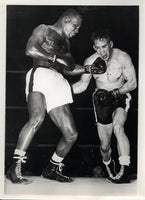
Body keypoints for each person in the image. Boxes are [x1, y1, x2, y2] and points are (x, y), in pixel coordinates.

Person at [6, 8, 106, 184]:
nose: (76, 31)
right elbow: (30, 49)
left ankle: (52, 168)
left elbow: (68, 67)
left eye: (78, 29)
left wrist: (88, 69)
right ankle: (14, 166)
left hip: (58, 80)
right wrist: (54, 58)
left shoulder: (66, 44)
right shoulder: (44, 29)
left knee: (71, 134)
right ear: (66, 19)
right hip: (41, 73)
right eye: (75, 26)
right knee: (37, 118)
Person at [72, 28, 137, 183]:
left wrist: (116, 93)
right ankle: (110, 168)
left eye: (105, 46)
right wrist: (62, 89)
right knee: (105, 146)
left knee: (118, 127)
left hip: (120, 96)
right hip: (101, 102)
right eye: (98, 47)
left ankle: (124, 170)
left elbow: (133, 83)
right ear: (95, 47)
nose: (102, 51)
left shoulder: (122, 57)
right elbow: (82, 85)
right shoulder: (90, 62)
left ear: (110, 44)